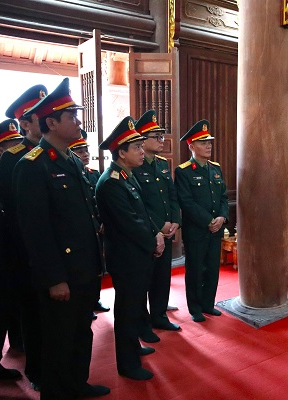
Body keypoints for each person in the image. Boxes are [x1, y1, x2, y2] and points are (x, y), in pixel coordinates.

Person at [14, 77, 109, 398]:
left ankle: (77, 385)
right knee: (58, 339)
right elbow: (36, 230)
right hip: (62, 273)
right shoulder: (33, 165)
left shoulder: (70, 160)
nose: (78, 122)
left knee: (82, 332)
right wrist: (54, 278)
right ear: (51, 123)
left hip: (84, 267)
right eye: (71, 117)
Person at [95, 116, 165, 381]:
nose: (141, 151)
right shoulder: (111, 182)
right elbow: (130, 224)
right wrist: (153, 242)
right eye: (136, 147)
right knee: (127, 310)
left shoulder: (126, 176)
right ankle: (127, 364)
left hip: (138, 255)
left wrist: (157, 234)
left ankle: (133, 347)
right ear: (121, 152)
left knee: (135, 307)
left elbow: (142, 214)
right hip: (127, 259)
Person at [0, 84, 48, 391]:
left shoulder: (55, 152)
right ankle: (37, 371)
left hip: (56, 249)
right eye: (39, 115)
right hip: (28, 251)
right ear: (25, 123)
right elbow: (15, 211)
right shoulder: (13, 157)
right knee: (33, 313)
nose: (47, 118)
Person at [175, 119, 229, 323]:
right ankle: (195, 307)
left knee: (212, 268)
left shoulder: (215, 168)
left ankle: (208, 303)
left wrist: (222, 217)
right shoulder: (184, 171)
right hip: (197, 230)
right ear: (191, 146)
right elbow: (186, 203)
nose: (208, 146)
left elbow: (223, 197)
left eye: (209, 142)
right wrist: (209, 221)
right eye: (203, 142)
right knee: (196, 269)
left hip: (216, 228)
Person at [133, 110, 181, 333]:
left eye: (162, 136)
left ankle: (160, 315)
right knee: (144, 279)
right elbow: (139, 204)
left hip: (167, 229)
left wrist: (175, 221)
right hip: (148, 232)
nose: (162, 140)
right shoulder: (135, 166)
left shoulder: (162, 164)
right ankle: (143, 322)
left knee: (163, 277)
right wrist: (158, 227)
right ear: (142, 140)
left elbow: (172, 195)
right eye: (156, 136)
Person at [0, 119, 22, 382]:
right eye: (14, 145)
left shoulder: (7, 170)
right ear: (0, 149)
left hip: (4, 254)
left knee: (2, 309)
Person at [68, 130, 110, 321]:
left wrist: (103, 221)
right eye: (79, 151)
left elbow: (100, 202)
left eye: (86, 150)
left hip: (98, 227)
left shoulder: (94, 174)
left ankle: (95, 298)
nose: (85, 154)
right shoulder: (72, 175)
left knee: (98, 265)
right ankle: (86, 303)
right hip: (84, 229)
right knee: (86, 267)